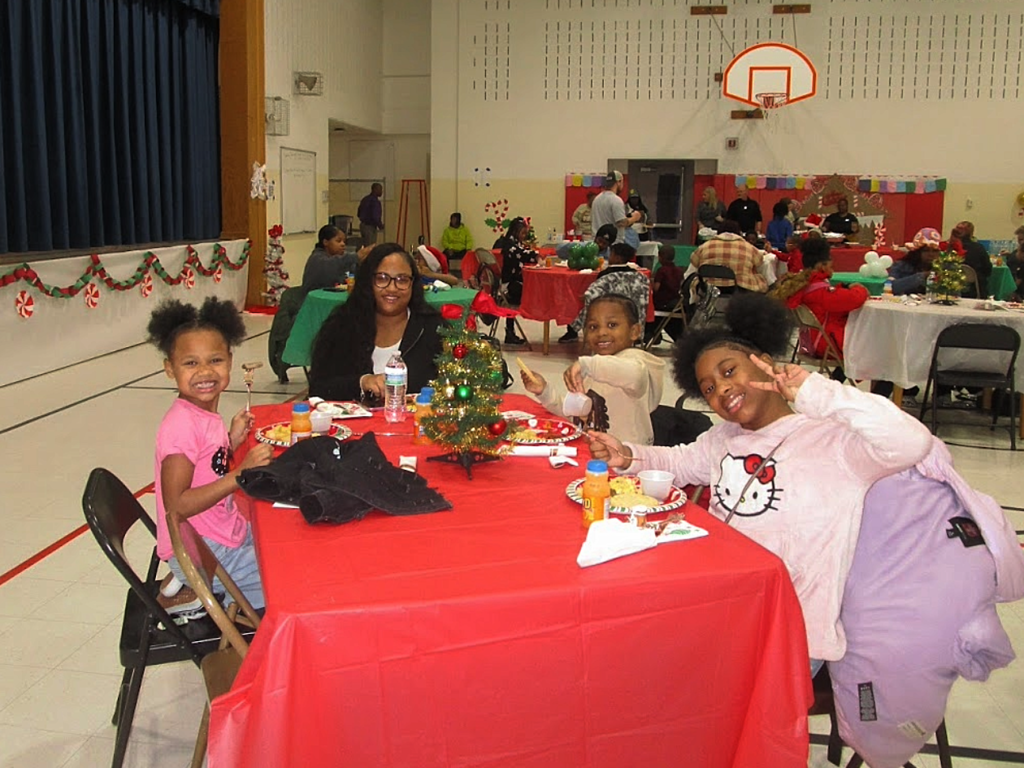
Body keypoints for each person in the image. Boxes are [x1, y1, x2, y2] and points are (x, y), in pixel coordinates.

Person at [588, 294, 933, 673]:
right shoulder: (725, 438)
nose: (720, 390)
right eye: (707, 388)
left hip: (790, 629)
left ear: (765, 364)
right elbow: (680, 462)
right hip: (726, 605)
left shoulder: (833, 439)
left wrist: (816, 391)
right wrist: (628, 456)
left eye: (729, 371)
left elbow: (910, 442)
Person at [147, 298, 274, 611]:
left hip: (218, 534)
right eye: (190, 363)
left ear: (229, 361)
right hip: (206, 553)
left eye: (215, 360)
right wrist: (239, 473)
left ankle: (196, 590)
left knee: (278, 538)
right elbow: (177, 504)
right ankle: (217, 598)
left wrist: (230, 440)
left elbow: (206, 465)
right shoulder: (181, 428)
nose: (205, 371)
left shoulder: (202, 414)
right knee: (287, 578)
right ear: (169, 368)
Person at [522, 294, 664, 446]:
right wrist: (544, 392)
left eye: (612, 325)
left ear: (634, 331)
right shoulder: (592, 370)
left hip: (627, 462)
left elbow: (634, 374)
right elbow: (575, 415)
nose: (601, 332)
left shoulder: (635, 362)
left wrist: (587, 365)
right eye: (593, 327)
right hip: (593, 456)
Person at [308, 244, 443, 401]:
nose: (392, 288)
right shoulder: (343, 324)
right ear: (368, 281)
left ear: (413, 284)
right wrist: (362, 383)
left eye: (402, 279)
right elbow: (318, 388)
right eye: (382, 278)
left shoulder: (434, 328)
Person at [771, 238, 868, 380]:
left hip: (812, 341)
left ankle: (835, 386)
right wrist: (859, 288)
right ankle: (881, 395)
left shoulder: (804, 285)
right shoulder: (821, 292)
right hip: (828, 344)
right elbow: (855, 299)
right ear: (822, 265)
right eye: (830, 265)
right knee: (877, 349)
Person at [567, 242, 649, 338]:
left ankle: (572, 332)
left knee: (580, 308)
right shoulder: (639, 276)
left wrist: (585, 297)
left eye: (611, 254)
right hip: (633, 313)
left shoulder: (605, 275)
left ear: (617, 258)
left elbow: (593, 295)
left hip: (608, 313)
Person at [557, 224, 618, 343]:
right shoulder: (584, 247)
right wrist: (576, 246)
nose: (600, 245)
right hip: (578, 284)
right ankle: (571, 330)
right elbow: (559, 250)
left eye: (604, 244)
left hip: (599, 286)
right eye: (599, 241)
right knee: (573, 300)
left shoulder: (611, 254)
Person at [689, 219, 767, 293]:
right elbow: (760, 262)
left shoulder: (705, 246)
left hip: (708, 287)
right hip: (739, 288)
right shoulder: (749, 248)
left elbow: (694, 261)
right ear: (738, 232)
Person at [499, 217, 537, 346]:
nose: (524, 236)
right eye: (523, 233)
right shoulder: (509, 245)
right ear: (515, 231)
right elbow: (521, 254)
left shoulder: (515, 243)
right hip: (508, 285)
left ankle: (510, 331)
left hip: (515, 281)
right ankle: (510, 331)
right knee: (529, 292)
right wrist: (535, 255)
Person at [300, 225, 358, 296]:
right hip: (316, 301)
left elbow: (350, 275)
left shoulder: (341, 257)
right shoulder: (317, 259)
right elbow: (334, 264)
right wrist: (356, 256)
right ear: (325, 242)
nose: (343, 244)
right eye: (338, 241)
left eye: (344, 241)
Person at [646, 243, 686, 343]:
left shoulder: (661, 270)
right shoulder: (679, 270)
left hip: (662, 301)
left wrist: (651, 282)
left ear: (660, 256)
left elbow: (656, 288)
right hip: (675, 301)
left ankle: (650, 333)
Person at [591, 171, 642, 245]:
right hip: (613, 244)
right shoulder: (616, 200)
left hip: (597, 242)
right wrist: (635, 217)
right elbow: (621, 222)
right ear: (619, 182)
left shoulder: (597, 199)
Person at [890, 227, 941, 295]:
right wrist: (922, 276)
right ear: (918, 252)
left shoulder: (943, 268)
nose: (931, 254)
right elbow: (892, 287)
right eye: (926, 251)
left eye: (935, 251)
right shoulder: (901, 265)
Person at [950, 220, 992, 298]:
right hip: (975, 290)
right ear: (971, 233)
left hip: (950, 287)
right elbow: (988, 270)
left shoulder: (948, 248)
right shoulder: (978, 248)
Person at [1001, 225, 1024, 299]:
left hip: (1016, 285)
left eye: (1022, 239)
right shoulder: (1017, 251)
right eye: (1019, 240)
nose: (1020, 242)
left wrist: (1011, 291)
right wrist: (1009, 255)